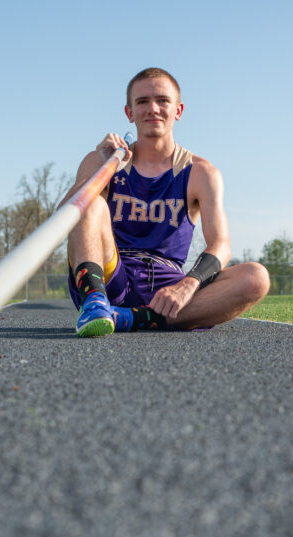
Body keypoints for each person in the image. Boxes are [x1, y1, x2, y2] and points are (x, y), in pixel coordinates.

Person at [65, 67, 270, 337]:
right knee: (92, 200)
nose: (153, 108)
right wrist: (101, 173)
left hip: (167, 284)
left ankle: (131, 318)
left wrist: (188, 284)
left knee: (256, 277)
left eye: (162, 100)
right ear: (129, 112)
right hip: (110, 272)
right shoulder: (101, 160)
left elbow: (221, 246)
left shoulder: (201, 172)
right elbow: (66, 218)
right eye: (142, 102)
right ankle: (95, 304)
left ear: (178, 110)